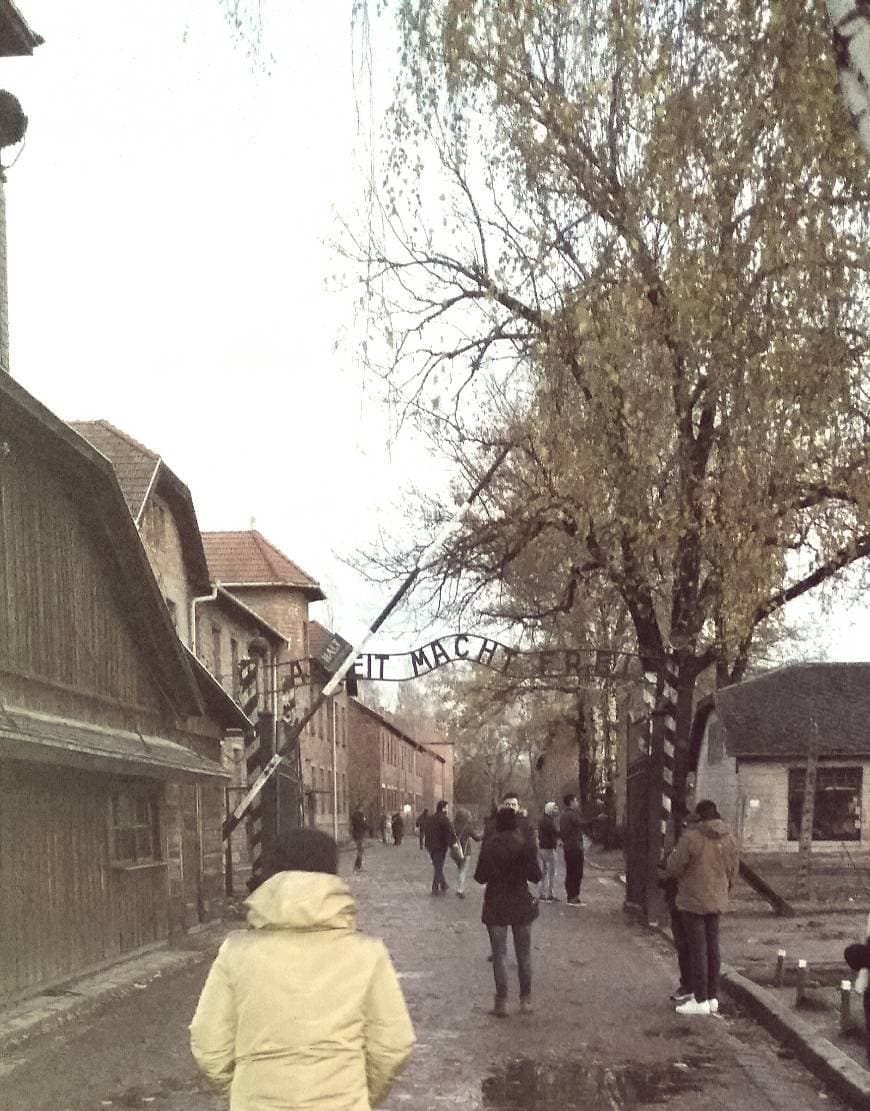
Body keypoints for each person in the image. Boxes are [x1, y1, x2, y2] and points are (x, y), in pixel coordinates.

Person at [190, 828, 415, 1109]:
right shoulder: (367, 955)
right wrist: (359, 1095)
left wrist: (242, 1093)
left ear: (269, 875)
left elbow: (209, 1045)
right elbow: (393, 1045)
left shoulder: (236, 953)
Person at [665, 799, 738, 1016]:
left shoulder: (692, 838)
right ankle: (713, 996)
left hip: (692, 901)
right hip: (717, 899)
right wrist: (724, 889)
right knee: (713, 948)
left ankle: (700, 998)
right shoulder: (730, 838)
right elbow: (733, 870)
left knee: (698, 949)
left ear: (699, 817)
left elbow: (673, 867)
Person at [474, 805, 542, 1016]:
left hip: (496, 904)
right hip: (521, 903)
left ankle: (501, 1002)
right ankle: (525, 1001)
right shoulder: (525, 846)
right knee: (524, 955)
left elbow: (480, 877)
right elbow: (536, 876)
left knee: (500, 955)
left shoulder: (490, 847)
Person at [658, 806, 696, 1005]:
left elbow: (671, 868)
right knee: (695, 945)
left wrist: (663, 875)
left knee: (686, 944)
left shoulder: (688, 843)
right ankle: (698, 987)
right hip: (694, 899)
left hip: (683, 900)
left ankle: (690, 986)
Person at [425, 800, 457, 895]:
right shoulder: (444, 819)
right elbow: (449, 832)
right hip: (440, 846)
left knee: (437, 865)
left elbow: (427, 831)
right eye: (447, 808)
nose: (447, 810)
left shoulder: (431, 818)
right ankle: (435, 888)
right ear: (443, 808)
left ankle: (443, 884)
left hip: (431, 846)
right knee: (438, 867)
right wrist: (453, 844)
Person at [560, 793, 586, 906]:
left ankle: (570, 896)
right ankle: (574, 897)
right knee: (577, 872)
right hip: (575, 847)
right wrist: (596, 820)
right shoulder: (572, 815)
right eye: (576, 800)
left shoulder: (563, 815)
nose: (577, 802)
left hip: (568, 847)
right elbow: (582, 824)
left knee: (570, 872)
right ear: (571, 802)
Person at [452, 807, 482, 898]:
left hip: (455, 851)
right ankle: (460, 890)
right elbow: (476, 838)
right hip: (465, 851)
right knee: (463, 871)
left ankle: (460, 887)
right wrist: (483, 834)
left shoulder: (452, 826)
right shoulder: (467, 827)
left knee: (460, 869)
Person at [537, 802, 560, 902]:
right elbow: (555, 832)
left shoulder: (542, 820)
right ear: (550, 809)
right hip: (549, 849)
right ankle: (550, 894)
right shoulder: (549, 821)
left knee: (543, 872)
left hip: (542, 848)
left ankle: (541, 893)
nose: (557, 810)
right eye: (555, 809)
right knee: (551, 872)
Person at [350, 807, 368, 872]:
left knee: (360, 850)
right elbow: (362, 824)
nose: (363, 809)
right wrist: (367, 827)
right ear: (360, 808)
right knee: (360, 851)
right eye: (362, 808)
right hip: (359, 834)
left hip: (356, 834)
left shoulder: (354, 815)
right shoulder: (360, 816)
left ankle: (358, 866)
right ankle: (357, 866)